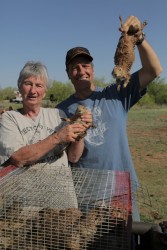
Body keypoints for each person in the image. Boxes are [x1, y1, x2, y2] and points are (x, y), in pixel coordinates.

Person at [56, 16, 163, 220]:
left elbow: (154, 70)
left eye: (85, 65)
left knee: (128, 241)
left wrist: (139, 38)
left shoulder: (116, 93)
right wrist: (78, 132)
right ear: (69, 74)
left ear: (93, 70)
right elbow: (69, 158)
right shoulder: (61, 110)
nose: (81, 71)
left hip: (120, 191)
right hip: (85, 193)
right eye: (75, 67)